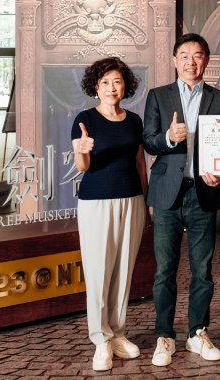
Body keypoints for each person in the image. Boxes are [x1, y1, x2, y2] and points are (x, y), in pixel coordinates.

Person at [142, 33, 220, 367]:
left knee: (203, 270)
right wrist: (169, 137)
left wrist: (219, 173)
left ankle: (197, 332)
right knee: (164, 270)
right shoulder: (158, 96)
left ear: (205, 60)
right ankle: (164, 336)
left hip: (202, 192)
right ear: (174, 60)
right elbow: (149, 141)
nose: (190, 61)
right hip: (167, 192)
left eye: (197, 55)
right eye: (184, 55)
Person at [70, 56, 148, 372]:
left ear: (125, 86)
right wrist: (82, 150)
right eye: (104, 82)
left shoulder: (134, 121)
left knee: (123, 272)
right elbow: (82, 167)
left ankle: (117, 333)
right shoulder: (85, 118)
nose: (111, 88)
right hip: (96, 202)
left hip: (132, 200)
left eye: (117, 81)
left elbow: (140, 163)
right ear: (95, 86)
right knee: (99, 271)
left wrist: (146, 201)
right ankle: (100, 339)